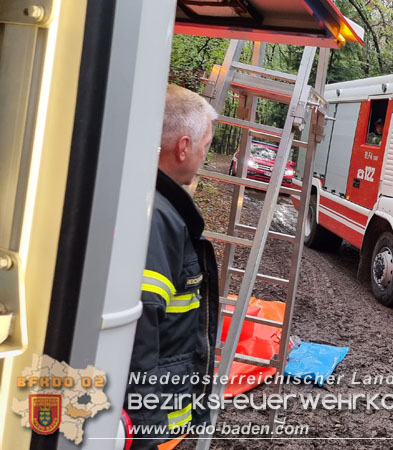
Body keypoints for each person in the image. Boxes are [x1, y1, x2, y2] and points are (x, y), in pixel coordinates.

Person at [123, 84, 219, 449]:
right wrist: (147, 432)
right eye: (204, 147)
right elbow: (140, 331)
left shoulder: (149, 201)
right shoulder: (157, 218)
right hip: (149, 426)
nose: (203, 157)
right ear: (183, 147)